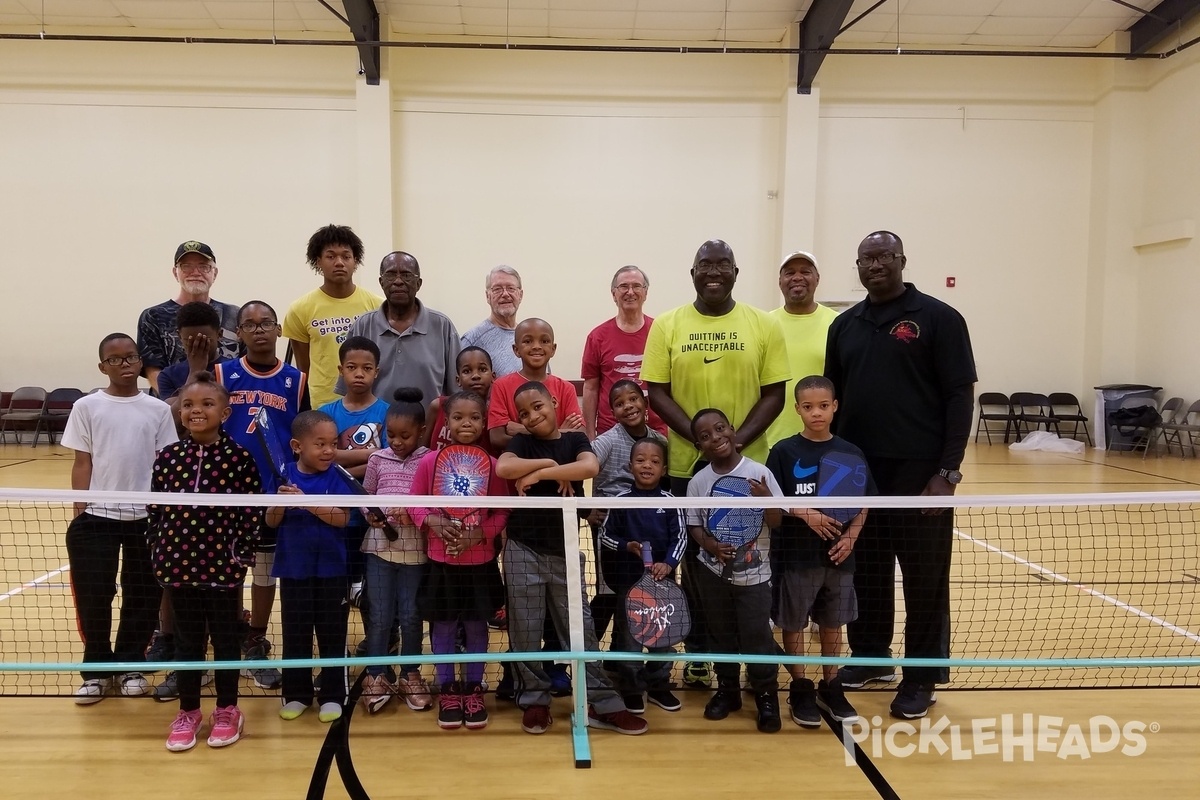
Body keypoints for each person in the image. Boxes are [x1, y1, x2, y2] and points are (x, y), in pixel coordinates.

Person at [824, 230, 977, 720]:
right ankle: (871, 659)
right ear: (859, 266)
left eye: (884, 256)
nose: (875, 265)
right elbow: (835, 401)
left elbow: (959, 397)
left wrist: (947, 472)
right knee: (866, 574)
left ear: (902, 260)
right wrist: (838, 473)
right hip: (860, 475)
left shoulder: (939, 318)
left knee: (924, 579)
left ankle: (922, 675)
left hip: (921, 477)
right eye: (866, 258)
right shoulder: (844, 325)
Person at [641, 239, 789, 688]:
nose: (714, 272)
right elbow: (657, 391)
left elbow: (775, 394)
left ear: (735, 272)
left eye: (722, 265)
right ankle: (705, 654)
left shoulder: (763, 324)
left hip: (750, 470)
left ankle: (757, 654)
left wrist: (732, 447)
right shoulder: (666, 325)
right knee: (699, 565)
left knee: (753, 563)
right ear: (692, 273)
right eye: (705, 264)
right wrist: (704, 443)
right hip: (689, 468)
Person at [495, 381, 647, 736]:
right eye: (523, 413)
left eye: (538, 406)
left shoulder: (575, 440)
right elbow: (504, 468)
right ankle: (534, 699)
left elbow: (589, 467)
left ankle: (603, 702)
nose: (532, 416)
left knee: (581, 631)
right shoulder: (521, 442)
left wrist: (540, 474)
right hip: (522, 550)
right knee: (525, 629)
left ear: (553, 401)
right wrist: (549, 462)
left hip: (565, 552)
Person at [149, 373, 262, 751]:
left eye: (207, 404)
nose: (196, 410)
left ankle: (228, 708)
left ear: (225, 412)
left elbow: (250, 512)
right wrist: (158, 548)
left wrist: (240, 553)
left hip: (222, 567)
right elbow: (156, 509)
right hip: (178, 566)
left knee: (226, 639)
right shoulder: (168, 457)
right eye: (188, 405)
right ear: (180, 413)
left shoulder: (239, 459)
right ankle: (189, 710)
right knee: (187, 640)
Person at [64, 333, 177, 704]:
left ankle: (131, 663)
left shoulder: (157, 409)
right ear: (103, 367)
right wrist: (81, 509)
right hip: (97, 518)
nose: (125, 364)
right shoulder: (87, 407)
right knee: (95, 595)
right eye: (116, 360)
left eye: (131, 358)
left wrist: (164, 510)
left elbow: (165, 464)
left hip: (147, 518)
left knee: (142, 595)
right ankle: (96, 670)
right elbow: (83, 462)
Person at [214, 300, 310, 691]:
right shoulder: (222, 373)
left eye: (265, 323)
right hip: (228, 493)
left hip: (274, 494)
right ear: (239, 333)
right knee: (228, 571)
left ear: (278, 330)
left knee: (265, 572)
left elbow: (302, 434)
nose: (258, 330)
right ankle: (229, 634)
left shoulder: (296, 380)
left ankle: (255, 638)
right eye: (249, 324)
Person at [765, 375, 871, 728]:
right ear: (797, 409)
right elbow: (772, 501)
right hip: (797, 558)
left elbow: (865, 502)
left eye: (823, 406)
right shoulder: (783, 452)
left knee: (832, 623)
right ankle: (800, 685)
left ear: (835, 406)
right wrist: (805, 513)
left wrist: (852, 537)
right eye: (808, 407)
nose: (816, 413)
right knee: (793, 625)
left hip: (840, 558)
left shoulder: (850, 452)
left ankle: (831, 683)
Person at [409, 390, 511, 730]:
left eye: (474, 417)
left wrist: (479, 534)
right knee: (444, 625)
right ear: (446, 422)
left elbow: (503, 511)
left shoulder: (494, 466)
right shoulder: (428, 462)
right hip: (441, 560)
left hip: (480, 561)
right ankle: (449, 689)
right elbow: (414, 504)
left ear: (484, 422)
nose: (466, 423)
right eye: (457, 417)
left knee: (476, 625)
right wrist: (433, 522)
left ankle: (473, 688)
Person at [684, 408, 784, 733]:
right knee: (720, 635)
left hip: (755, 577)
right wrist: (711, 546)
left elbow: (777, 522)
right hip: (712, 575)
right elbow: (695, 527)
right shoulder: (698, 482)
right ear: (700, 446)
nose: (716, 438)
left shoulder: (760, 473)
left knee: (757, 637)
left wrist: (766, 499)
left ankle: (767, 695)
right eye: (705, 436)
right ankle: (728, 691)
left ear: (733, 430)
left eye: (720, 428)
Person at [146, 300, 223, 698]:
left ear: (218, 337)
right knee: (175, 576)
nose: (197, 342)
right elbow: (172, 416)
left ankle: (226, 644)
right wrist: (194, 371)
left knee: (216, 578)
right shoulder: (172, 375)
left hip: (220, 484)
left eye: (204, 338)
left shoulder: (228, 370)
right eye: (189, 338)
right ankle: (173, 638)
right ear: (177, 339)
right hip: (180, 483)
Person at [267, 411, 351, 723]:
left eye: (333, 443)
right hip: (293, 570)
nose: (329, 450)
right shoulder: (283, 475)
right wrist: (280, 502)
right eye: (321, 444)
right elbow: (270, 521)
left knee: (332, 633)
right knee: (295, 634)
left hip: (332, 571)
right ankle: (296, 694)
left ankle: (332, 694)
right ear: (297, 446)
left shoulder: (338, 476)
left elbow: (342, 518)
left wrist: (306, 501)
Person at [597, 437, 685, 714]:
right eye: (641, 460)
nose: (647, 465)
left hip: (663, 586)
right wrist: (627, 546)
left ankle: (658, 684)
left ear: (664, 469)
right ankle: (632, 687)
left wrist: (668, 564)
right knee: (629, 638)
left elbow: (680, 538)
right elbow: (606, 536)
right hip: (629, 585)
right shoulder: (621, 501)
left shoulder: (671, 502)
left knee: (663, 636)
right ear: (630, 465)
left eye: (655, 462)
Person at [359, 388, 433, 715]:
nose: (397, 441)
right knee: (379, 616)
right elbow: (365, 496)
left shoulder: (430, 460)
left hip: (416, 551)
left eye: (405, 435)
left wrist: (413, 513)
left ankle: (410, 674)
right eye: (390, 434)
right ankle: (376, 675)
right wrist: (371, 516)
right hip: (378, 550)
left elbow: (434, 502)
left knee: (411, 615)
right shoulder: (377, 459)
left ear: (421, 431)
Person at [586, 380, 667, 649]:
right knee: (609, 593)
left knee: (639, 593)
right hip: (612, 528)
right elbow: (577, 467)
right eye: (619, 404)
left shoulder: (659, 441)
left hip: (647, 528)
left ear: (645, 403)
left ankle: (620, 658)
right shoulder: (606, 442)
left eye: (633, 399)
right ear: (612, 412)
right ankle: (586, 655)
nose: (628, 406)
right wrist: (586, 509)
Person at [283, 224, 383, 408]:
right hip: (322, 404)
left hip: (369, 403)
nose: (339, 262)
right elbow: (303, 369)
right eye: (331, 256)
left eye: (346, 256)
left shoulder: (377, 306)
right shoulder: (300, 309)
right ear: (318, 261)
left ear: (355, 261)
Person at [342, 251, 460, 406]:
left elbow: (457, 391)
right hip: (374, 427)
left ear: (418, 284)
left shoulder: (442, 326)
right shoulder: (363, 326)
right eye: (390, 275)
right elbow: (350, 391)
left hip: (428, 428)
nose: (398, 281)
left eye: (406, 275)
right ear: (381, 282)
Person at [137, 241, 239, 396]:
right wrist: (183, 404)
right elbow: (153, 370)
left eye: (204, 266)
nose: (195, 272)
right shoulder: (153, 316)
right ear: (175, 272)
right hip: (174, 408)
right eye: (186, 266)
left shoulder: (234, 314)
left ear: (215, 273)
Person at [764, 251, 840, 448]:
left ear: (817, 278)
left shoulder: (838, 323)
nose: (797, 277)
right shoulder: (764, 324)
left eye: (805, 271)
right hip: (771, 440)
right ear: (780, 281)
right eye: (789, 273)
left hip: (825, 439)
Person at [581, 266, 666, 440]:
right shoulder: (597, 337)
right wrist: (590, 434)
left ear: (645, 293)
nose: (630, 292)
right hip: (611, 433)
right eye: (623, 286)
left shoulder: (661, 332)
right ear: (614, 294)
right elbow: (590, 388)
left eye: (636, 286)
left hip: (656, 432)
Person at [488, 317, 584, 453]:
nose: (537, 346)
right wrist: (559, 432)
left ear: (553, 349)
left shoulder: (566, 388)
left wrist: (522, 430)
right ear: (516, 349)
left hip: (560, 464)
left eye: (544, 341)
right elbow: (497, 439)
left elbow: (580, 434)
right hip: (518, 464)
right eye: (528, 341)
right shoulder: (501, 386)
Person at [424, 346, 496, 453]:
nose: (475, 376)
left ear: (493, 376)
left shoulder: (496, 414)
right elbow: (421, 449)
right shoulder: (438, 406)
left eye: (482, 369)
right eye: (467, 371)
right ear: (458, 380)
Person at [460, 265, 525, 377]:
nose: (505, 294)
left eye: (511, 288)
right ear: (487, 296)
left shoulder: (530, 337)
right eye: (497, 289)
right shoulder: (472, 339)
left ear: (520, 295)